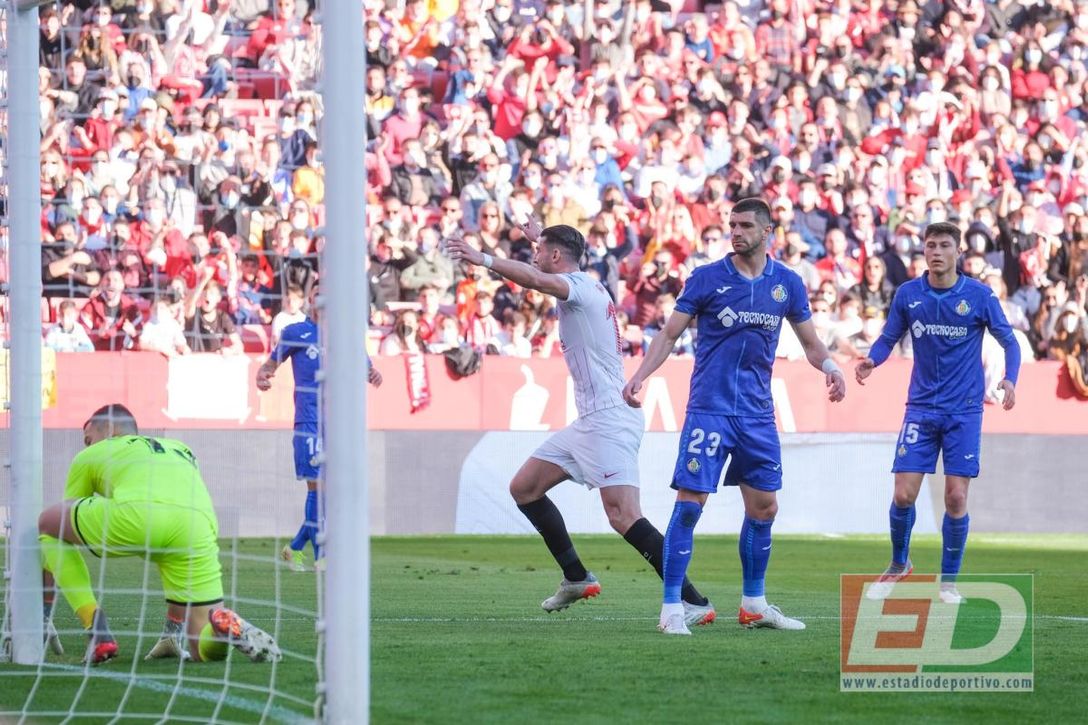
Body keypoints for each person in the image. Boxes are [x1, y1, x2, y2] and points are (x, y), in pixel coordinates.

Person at [446, 212, 716, 628]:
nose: (535, 256)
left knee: (623, 515)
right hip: (590, 419)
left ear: (556, 256)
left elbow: (537, 279)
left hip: (609, 418)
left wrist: (482, 258)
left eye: (540, 251)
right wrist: (539, 237)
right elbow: (551, 265)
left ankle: (693, 600)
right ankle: (576, 576)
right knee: (524, 488)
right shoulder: (586, 283)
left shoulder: (578, 287)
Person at [623, 198, 847, 636]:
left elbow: (810, 343)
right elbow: (669, 334)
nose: (736, 232)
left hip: (757, 415)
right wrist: (641, 376)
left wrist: (831, 367)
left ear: (767, 232)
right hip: (710, 409)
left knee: (764, 507)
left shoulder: (787, 283)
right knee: (690, 505)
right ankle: (672, 607)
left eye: (745, 225)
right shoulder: (707, 278)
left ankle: (754, 604)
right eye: (733, 225)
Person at [37, 404, 281, 664]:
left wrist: (42, 614)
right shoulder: (181, 449)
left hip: (137, 516)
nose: (87, 445)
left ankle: (94, 626)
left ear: (108, 428)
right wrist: (172, 631)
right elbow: (178, 573)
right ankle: (223, 627)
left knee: (47, 524)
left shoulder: (91, 455)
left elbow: (63, 527)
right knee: (202, 649)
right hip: (198, 526)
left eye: (88, 439)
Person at [856, 222, 1021, 604]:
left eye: (944, 245)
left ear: (958, 252)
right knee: (903, 494)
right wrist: (872, 361)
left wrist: (1010, 380)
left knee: (956, 498)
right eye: (930, 245)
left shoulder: (979, 296)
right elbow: (888, 337)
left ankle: (948, 583)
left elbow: (1010, 343)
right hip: (920, 409)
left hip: (964, 411)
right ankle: (899, 564)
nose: (936, 252)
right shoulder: (909, 294)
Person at [255, 287, 383, 571]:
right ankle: (322, 556)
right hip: (309, 419)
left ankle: (295, 548)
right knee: (318, 485)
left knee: (329, 492)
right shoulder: (294, 332)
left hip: (338, 423)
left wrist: (373, 373)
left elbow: (366, 367)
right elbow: (269, 365)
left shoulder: (345, 334)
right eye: (317, 292)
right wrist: (262, 375)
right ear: (310, 300)